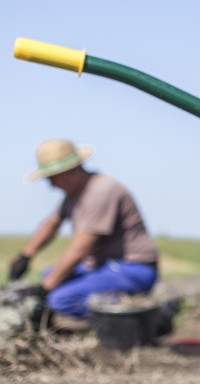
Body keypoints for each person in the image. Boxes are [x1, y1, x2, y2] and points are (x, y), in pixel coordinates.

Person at [9, 139, 159, 328]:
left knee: (60, 299)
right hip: (104, 265)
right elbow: (52, 223)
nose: (52, 186)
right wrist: (26, 255)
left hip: (131, 268)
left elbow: (81, 247)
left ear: (67, 173)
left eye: (51, 179)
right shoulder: (76, 193)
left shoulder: (101, 192)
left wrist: (45, 289)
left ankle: (139, 319)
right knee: (49, 274)